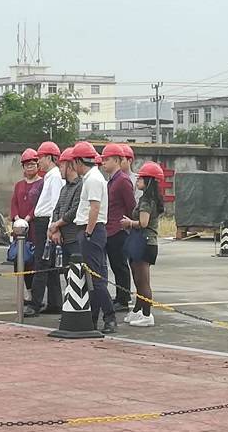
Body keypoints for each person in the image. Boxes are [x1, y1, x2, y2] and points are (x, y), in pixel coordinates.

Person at [73, 141, 117, 334]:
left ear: (78, 161)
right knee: (93, 277)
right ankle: (94, 317)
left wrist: (88, 232)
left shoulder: (92, 180)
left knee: (96, 278)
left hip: (92, 230)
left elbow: (94, 208)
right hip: (92, 229)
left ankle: (109, 317)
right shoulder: (94, 177)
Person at [120, 161, 164, 327]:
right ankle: (138, 310)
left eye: (140, 179)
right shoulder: (151, 199)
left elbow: (143, 223)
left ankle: (147, 314)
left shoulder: (146, 200)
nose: (137, 181)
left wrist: (130, 223)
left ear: (149, 181)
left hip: (144, 242)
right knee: (139, 279)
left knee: (142, 281)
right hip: (146, 242)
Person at [24, 141, 65, 317]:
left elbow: (56, 202)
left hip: (46, 222)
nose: (38, 161)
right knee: (49, 263)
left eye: (40, 157)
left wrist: (53, 227)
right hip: (44, 221)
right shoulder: (51, 176)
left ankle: (35, 303)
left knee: (42, 262)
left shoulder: (54, 177)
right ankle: (55, 302)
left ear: (49, 157)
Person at [101, 143, 136, 312]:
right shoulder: (112, 180)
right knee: (115, 265)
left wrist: (128, 224)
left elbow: (131, 205)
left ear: (116, 160)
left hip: (119, 229)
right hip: (110, 228)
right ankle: (120, 296)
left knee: (120, 265)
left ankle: (123, 298)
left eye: (106, 159)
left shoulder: (122, 180)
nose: (103, 163)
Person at [10, 148, 44, 303]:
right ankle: (23, 289)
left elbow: (39, 205)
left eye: (32, 164)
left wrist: (28, 218)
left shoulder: (41, 183)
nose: (29, 167)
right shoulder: (19, 185)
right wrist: (17, 218)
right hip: (19, 229)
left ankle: (33, 293)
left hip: (34, 228)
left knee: (33, 260)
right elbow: (14, 203)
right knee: (19, 259)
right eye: (26, 165)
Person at [49, 147, 82, 267]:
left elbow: (74, 210)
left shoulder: (80, 186)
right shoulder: (64, 188)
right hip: (62, 239)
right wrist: (56, 229)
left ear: (70, 165)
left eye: (62, 166)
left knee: (78, 276)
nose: (60, 170)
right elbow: (56, 209)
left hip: (75, 239)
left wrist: (57, 224)